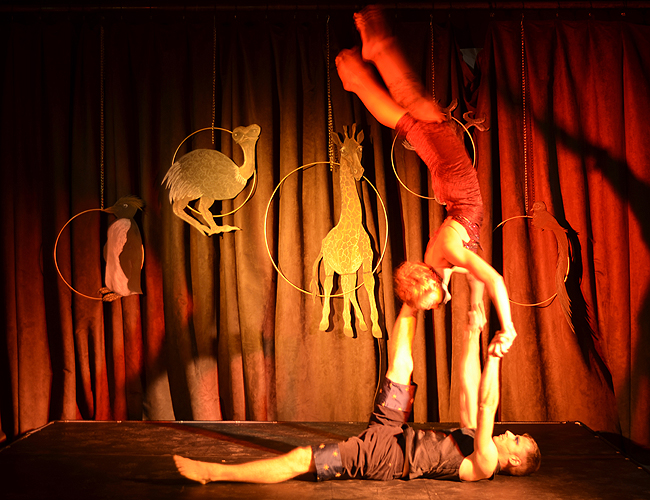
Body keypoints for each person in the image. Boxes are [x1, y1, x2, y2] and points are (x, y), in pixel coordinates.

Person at [173, 298, 540, 484]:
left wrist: (495, 356)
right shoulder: (476, 439)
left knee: (301, 459)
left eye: (516, 440)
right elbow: (468, 390)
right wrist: (472, 335)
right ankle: (412, 300)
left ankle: (213, 473)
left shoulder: (485, 463)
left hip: (385, 457)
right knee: (401, 367)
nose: (509, 433)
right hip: (393, 430)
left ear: (513, 461)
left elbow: (487, 405)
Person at [335, 5, 515, 337]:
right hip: (451, 187)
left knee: (421, 114)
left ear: (430, 280)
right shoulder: (437, 263)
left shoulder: (446, 254)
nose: (435, 307)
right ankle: (359, 76)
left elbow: (493, 278)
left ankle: (375, 51)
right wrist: (475, 304)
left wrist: (507, 328)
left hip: (456, 183)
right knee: (412, 121)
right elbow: (476, 275)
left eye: (430, 303)